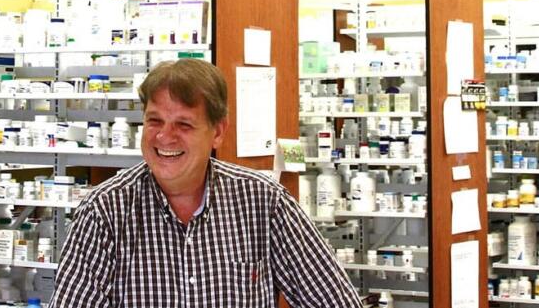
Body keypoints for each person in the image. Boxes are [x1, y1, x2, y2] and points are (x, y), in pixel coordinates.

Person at [50, 58, 364, 308]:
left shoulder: (265, 204)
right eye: (154, 120)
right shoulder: (105, 212)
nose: (164, 136)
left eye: (184, 124)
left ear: (217, 132)